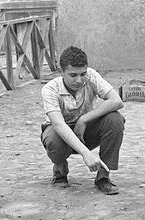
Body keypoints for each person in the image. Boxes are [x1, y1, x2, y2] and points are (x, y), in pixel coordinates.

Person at [40, 46, 125, 195]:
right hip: (61, 133)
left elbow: (117, 101)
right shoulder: (50, 89)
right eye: (73, 75)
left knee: (115, 119)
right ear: (61, 73)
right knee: (52, 138)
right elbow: (58, 124)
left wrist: (84, 120)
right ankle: (60, 170)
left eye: (82, 74)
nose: (79, 80)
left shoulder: (91, 76)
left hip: (86, 130)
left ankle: (103, 177)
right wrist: (87, 154)